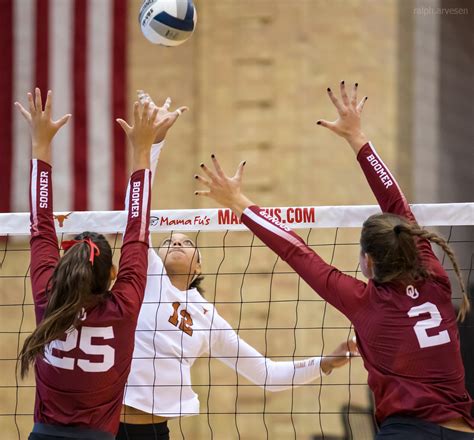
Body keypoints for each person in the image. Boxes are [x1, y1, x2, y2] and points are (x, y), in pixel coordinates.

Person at [194, 82, 474, 439]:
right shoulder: (434, 276)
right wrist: (357, 137)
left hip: (407, 432)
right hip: (462, 430)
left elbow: (295, 250)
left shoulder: (365, 303)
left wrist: (237, 203)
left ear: (369, 262)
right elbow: (395, 202)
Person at [117, 92, 358, 440]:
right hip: (106, 423)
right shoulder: (147, 274)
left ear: (199, 268)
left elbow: (266, 374)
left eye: (187, 243)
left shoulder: (208, 318)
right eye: (170, 240)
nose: (176, 242)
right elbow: (135, 212)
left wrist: (324, 363)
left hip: (154, 432)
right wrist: (154, 143)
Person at [15, 88, 165, 440]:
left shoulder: (46, 297)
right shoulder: (122, 306)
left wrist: (40, 144)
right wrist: (143, 149)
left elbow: (39, 224)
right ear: (112, 274)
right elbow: (137, 229)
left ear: (63, 268)